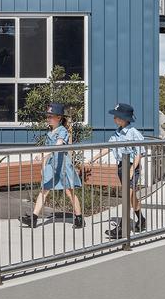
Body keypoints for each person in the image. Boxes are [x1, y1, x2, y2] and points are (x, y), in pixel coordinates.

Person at [20, 102, 84, 229]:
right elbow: (46, 151)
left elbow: (59, 144)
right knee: (44, 191)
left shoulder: (62, 130)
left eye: (51, 116)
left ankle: (79, 218)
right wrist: (43, 167)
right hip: (51, 165)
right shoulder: (49, 132)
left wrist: (47, 153)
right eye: (47, 116)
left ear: (59, 118)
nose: (48, 119)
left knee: (69, 192)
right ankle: (33, 218)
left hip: (63, 166)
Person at [88, 102, 146, 238]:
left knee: (126, 196)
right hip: (121, 166)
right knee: (131, 197)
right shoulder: (117, 133)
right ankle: (141, 220)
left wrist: (132, 168)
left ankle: (121, 229)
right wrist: (95, 157)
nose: (114, 119)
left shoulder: (133, 133)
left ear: (125, 118)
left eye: (117, 116)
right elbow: (109, 147)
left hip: (132, 167)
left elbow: (139, 153)